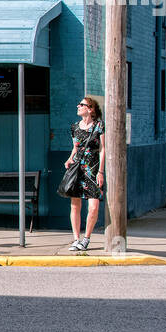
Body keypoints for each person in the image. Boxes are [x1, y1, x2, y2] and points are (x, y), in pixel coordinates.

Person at [64, 96, 105, 251]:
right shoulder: (74, 127)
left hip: (93, 170)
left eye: (81, 104)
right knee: (75, 206)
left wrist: (101, 171)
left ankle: (86, 238)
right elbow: (75, 148)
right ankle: (76, 239)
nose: (78, 106)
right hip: (77, 170)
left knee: (93, 207)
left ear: (90, 109)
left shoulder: (99, 125)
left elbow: (102, 149)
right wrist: (69, 160)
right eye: (78, 104)